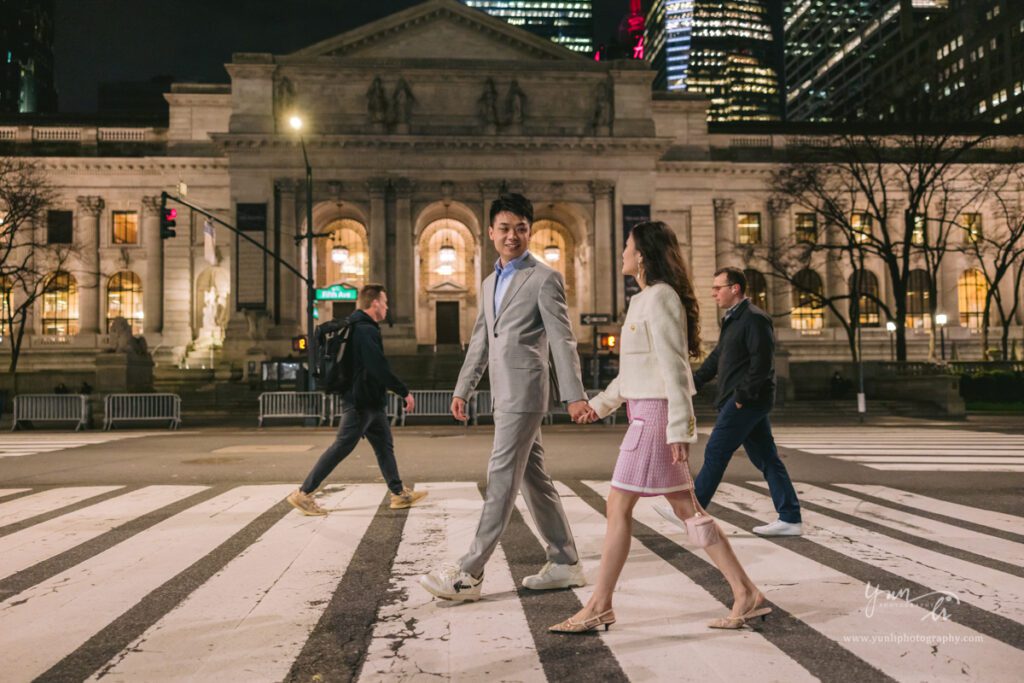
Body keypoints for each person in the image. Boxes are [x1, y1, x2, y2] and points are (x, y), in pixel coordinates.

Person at [548, 222, 770, 634]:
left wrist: (680, 430)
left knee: (619, 506)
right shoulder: (643, 299)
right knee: (688, 510)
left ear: (643, 255)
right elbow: (636, 372)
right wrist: (598, 406)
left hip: (655, 418)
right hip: (643, 412)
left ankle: (599, 605)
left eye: (627, 247)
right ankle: (746, 592)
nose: (623, 253)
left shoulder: (662, 297)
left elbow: (674, 366)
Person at [419, 194, 590, 602]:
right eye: (505, 228)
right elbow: (481, 339)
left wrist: (574, 395)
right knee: (534, 480)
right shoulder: (488, 282)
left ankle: (470, 573)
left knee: (500, 478)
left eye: (521, 228)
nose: (513, 235)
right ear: (491, 233)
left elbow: (562, 340)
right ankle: (565, 561)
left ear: (530, 232)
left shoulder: (544, 278)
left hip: (526, 391)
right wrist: (463, 387)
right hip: (503, 392)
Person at [659, 267, 801, 536]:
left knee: (716, 451)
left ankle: (690, 512)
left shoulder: (755, 319)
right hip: (742, 401)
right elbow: (717, 358)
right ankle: (791, 517)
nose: (714, 293)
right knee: (768, 459)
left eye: (718, 288)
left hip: (746, 402)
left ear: (735, 288)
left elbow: (762, 364)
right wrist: (691, 384)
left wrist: (742, 397)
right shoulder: (733, 319)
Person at [286, 284, 427, 515]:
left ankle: (398, 493)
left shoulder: (357, 326)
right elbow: (377, 366)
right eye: (385, 302)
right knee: (341, 446)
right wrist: (403, 391)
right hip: (361, 401)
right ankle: (304, 493)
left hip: (371, 401)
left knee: (384, 447)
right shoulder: (364, 329)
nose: (387, 307)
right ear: (375, 303)